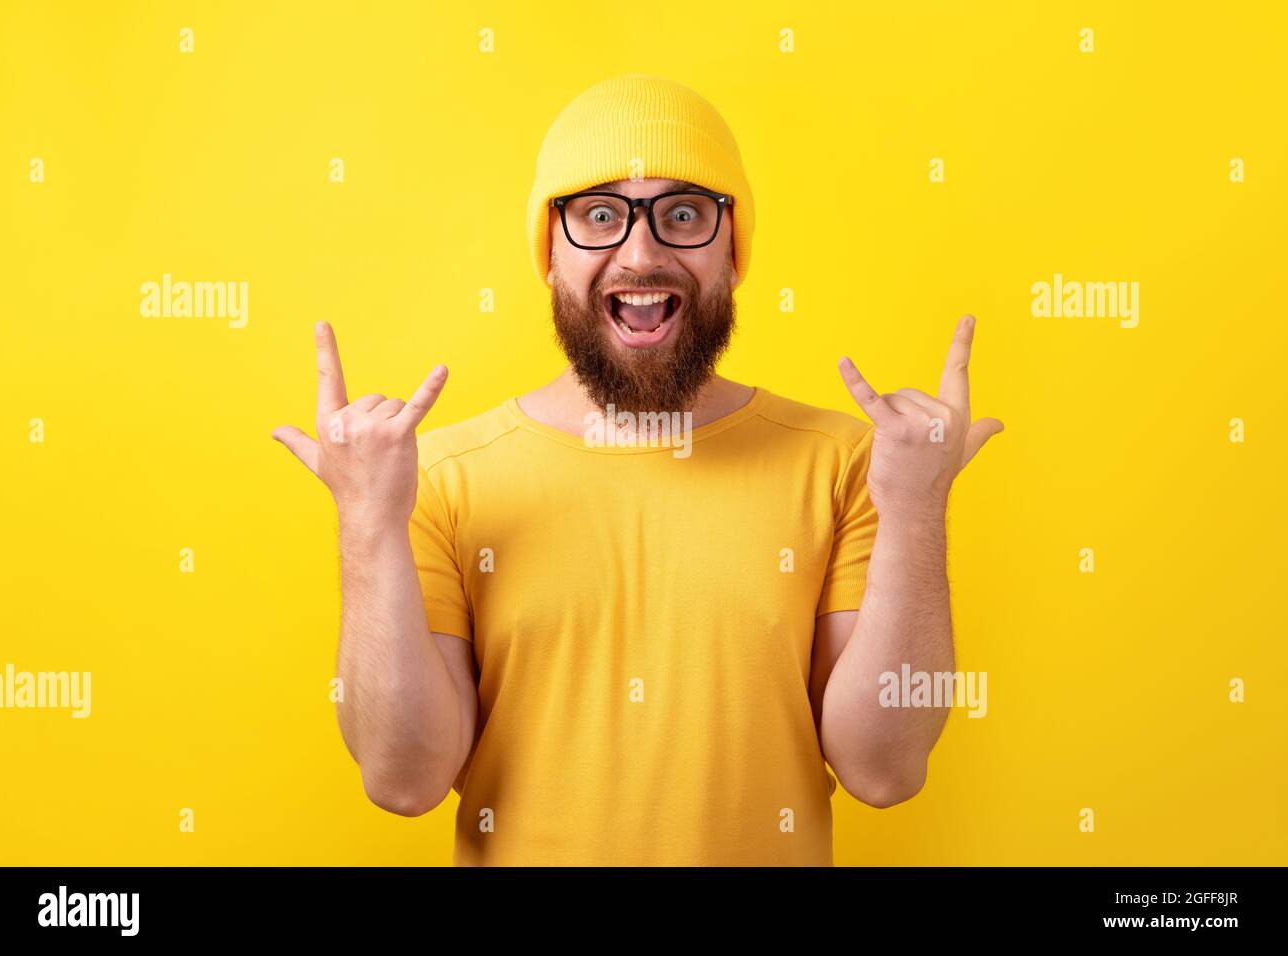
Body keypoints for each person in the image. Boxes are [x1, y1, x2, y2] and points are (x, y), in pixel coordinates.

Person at [272, 73, 1004, 866]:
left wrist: (917, 510)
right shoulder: (438, 479)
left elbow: (884, 769)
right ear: (550, 253)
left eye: (683, 214)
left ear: (733, 250)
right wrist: (366, 522)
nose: (642, 254)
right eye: (598, 215)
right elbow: (403, 779)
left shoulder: (848, 465)